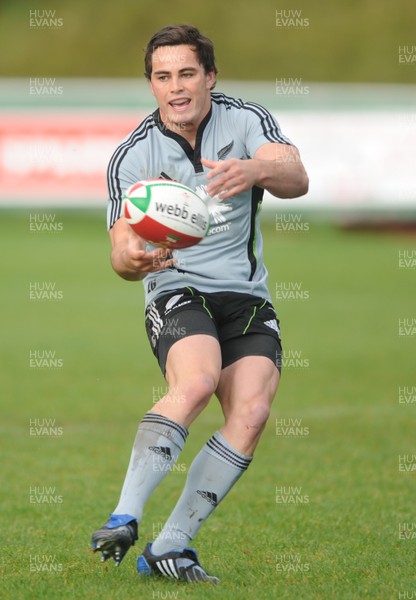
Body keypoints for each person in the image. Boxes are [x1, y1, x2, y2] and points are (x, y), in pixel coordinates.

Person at [91, 24, 308, 584]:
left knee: (253, 411)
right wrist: (133, 262)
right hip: (177, 288)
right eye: (162, 77)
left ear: (210, 77)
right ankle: (125, 515)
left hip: (246, 295)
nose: (176, 87)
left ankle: (172, 548)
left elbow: (297, 176)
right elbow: (120, 251)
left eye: (187, 73)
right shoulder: (133, 156)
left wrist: (256, 169)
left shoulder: (245, 120)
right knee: (197, 381)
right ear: (152, 85)